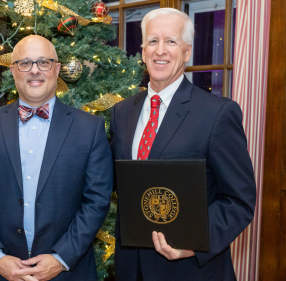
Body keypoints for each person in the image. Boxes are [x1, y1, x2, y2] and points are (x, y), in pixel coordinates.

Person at [109, 8, 256, 281]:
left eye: (171, 41)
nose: (160, 50)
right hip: (132, 268)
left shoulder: (217, 114)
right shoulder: (122, 112)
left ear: (187, 52)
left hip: (190, 271)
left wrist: (195, 243)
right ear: (142, 51)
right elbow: (119, 183)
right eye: (152, 41)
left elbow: (239, 200)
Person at [0, 35, 113, 281]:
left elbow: (96, 201)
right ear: (12, 70)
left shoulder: (90, 128)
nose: (34, 71)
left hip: (67, 272)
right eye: (25, 63)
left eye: (43, 62)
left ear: (57, 69)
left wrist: (61, 259)